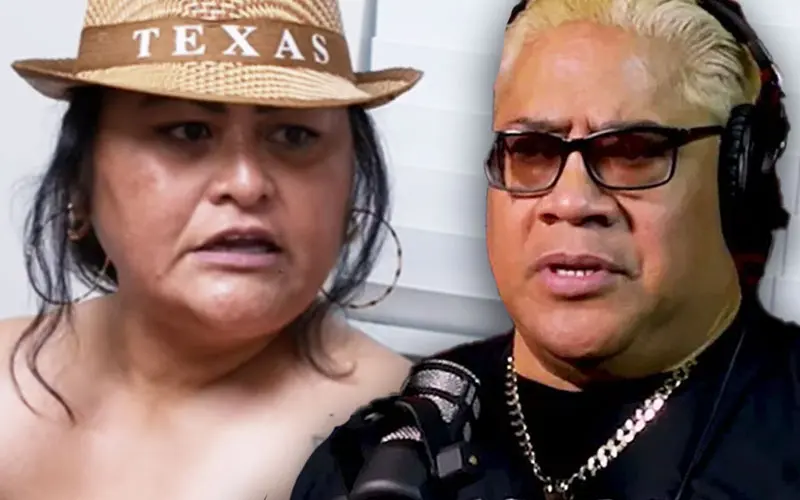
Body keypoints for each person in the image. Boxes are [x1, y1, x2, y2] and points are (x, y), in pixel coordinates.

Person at [290, 0, 800, 499]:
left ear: (735, 179)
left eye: (633, 152)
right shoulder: (370, 467)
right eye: (532, 151)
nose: (571, 202)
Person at [0, 0, 423, 498]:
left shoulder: (411, 447)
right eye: (188, 131)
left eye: (293, 135)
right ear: (80, 179)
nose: (246, 184)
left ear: (350, 187)